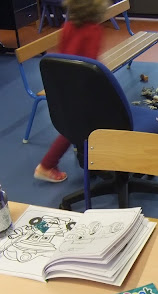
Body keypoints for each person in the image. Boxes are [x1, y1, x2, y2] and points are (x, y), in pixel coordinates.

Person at [34, 0, 109, 183]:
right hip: (81, 87)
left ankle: (90, 157)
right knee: (76, 127)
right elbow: (90, 65)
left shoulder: (68, 26)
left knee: (77, 124)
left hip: (63, 83)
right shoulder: (93, 30)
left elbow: (65, 54)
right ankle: (46, 165)